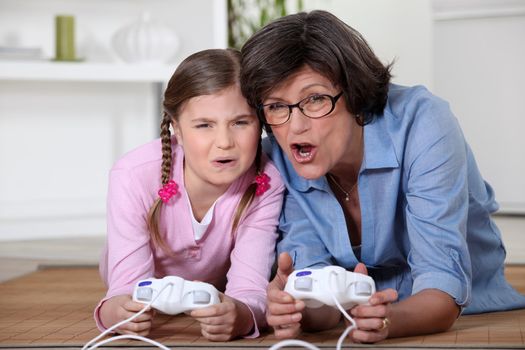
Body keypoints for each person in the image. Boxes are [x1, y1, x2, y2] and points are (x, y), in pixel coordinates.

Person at [240, 10, 525, 344]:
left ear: (355, 94)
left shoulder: (424, 122)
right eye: (276, 106)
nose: (295, 126)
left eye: (315, 99)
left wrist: (388, 320)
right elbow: (321, 293)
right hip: (358, 313)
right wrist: (297, 305)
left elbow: (442, 288)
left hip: (464, 305)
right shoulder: (277, 156)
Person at [93, 48, 284, 341]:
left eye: (240, 122)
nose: (224, 142)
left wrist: (241, 315)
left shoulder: (267, 181)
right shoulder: (132, 175)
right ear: (176, 129)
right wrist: (117, 312)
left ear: (259, 123)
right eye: (204, 125)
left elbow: (249, 293)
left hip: (212, 292)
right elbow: (123, 289)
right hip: (144, 289)